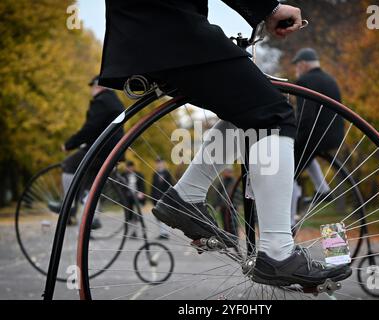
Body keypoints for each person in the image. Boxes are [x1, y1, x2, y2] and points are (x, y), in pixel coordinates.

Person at [98, 0, 350, 287]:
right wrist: (268, 8)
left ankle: (186, 197)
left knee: (249, 113)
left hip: (148, 29)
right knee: (275, 116)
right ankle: (278, 251)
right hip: (170, 27)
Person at [49, 75, 124, 226]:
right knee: (91, 184)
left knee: (69, 165)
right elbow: (101, 129)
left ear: (99, 86)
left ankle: (68, 206)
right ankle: (93, 217)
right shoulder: (115, 102)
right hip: (112, 152)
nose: (91, 90)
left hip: (99, 151)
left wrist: (70, 144)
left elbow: (90, 128)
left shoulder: (102, 101)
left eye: (93, 86)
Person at [292, 48, 345, 205]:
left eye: (297, 66)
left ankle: (288, 223)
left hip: (317, 136)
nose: (296, 69)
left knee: (285, 175)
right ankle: (322, 189)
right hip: (335, 136)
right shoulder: (329, 79)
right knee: (306, 155)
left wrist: (295, 139)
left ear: (302, 64)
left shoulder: (305, 81)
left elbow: (306, 118)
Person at [149, 158, 173, 240]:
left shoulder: (167, 173)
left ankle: (165, 233)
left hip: (165, 198)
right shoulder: (155, 174)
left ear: (163, 163)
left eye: (160, 162)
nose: (159, 164)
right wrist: (152, 197)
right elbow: (153, 187)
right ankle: (161, 233)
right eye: (157, 163)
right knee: (158, 216)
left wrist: (169, 198)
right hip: (156, 198)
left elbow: (170, 186)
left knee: (165, 215)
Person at [122, 161, 147, 238]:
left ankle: (134, 231)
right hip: (127, 199)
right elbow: (120, 187)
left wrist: (141, 193)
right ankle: (131, 231)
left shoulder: (138, 175)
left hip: (136, 198)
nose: (129, 168)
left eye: (130, 166)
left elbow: (142, 186)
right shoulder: (123, 175)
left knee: (136, 215)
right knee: (128, 215)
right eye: (128, 167)